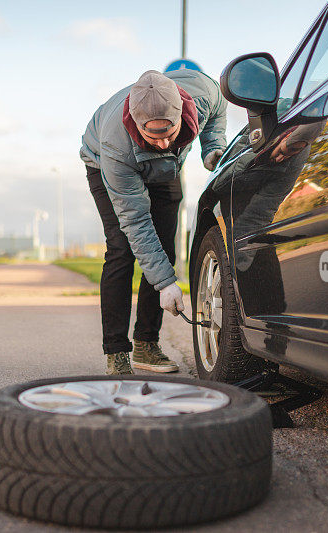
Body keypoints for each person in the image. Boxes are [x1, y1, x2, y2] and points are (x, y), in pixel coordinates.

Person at [80, 69, 228, 375]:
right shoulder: (115, 147)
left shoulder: (204, 93)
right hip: (107, 162)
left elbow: (219, 111)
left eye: (168, 134)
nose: (161, 144)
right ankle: (117, 353)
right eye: (153, 135)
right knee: (122, 249)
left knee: (165, 247)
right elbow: (136, 222)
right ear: (136, 123)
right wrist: (165, 283)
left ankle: (147, 344)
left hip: (166, 170)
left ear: (181, 114)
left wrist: (212, 145)